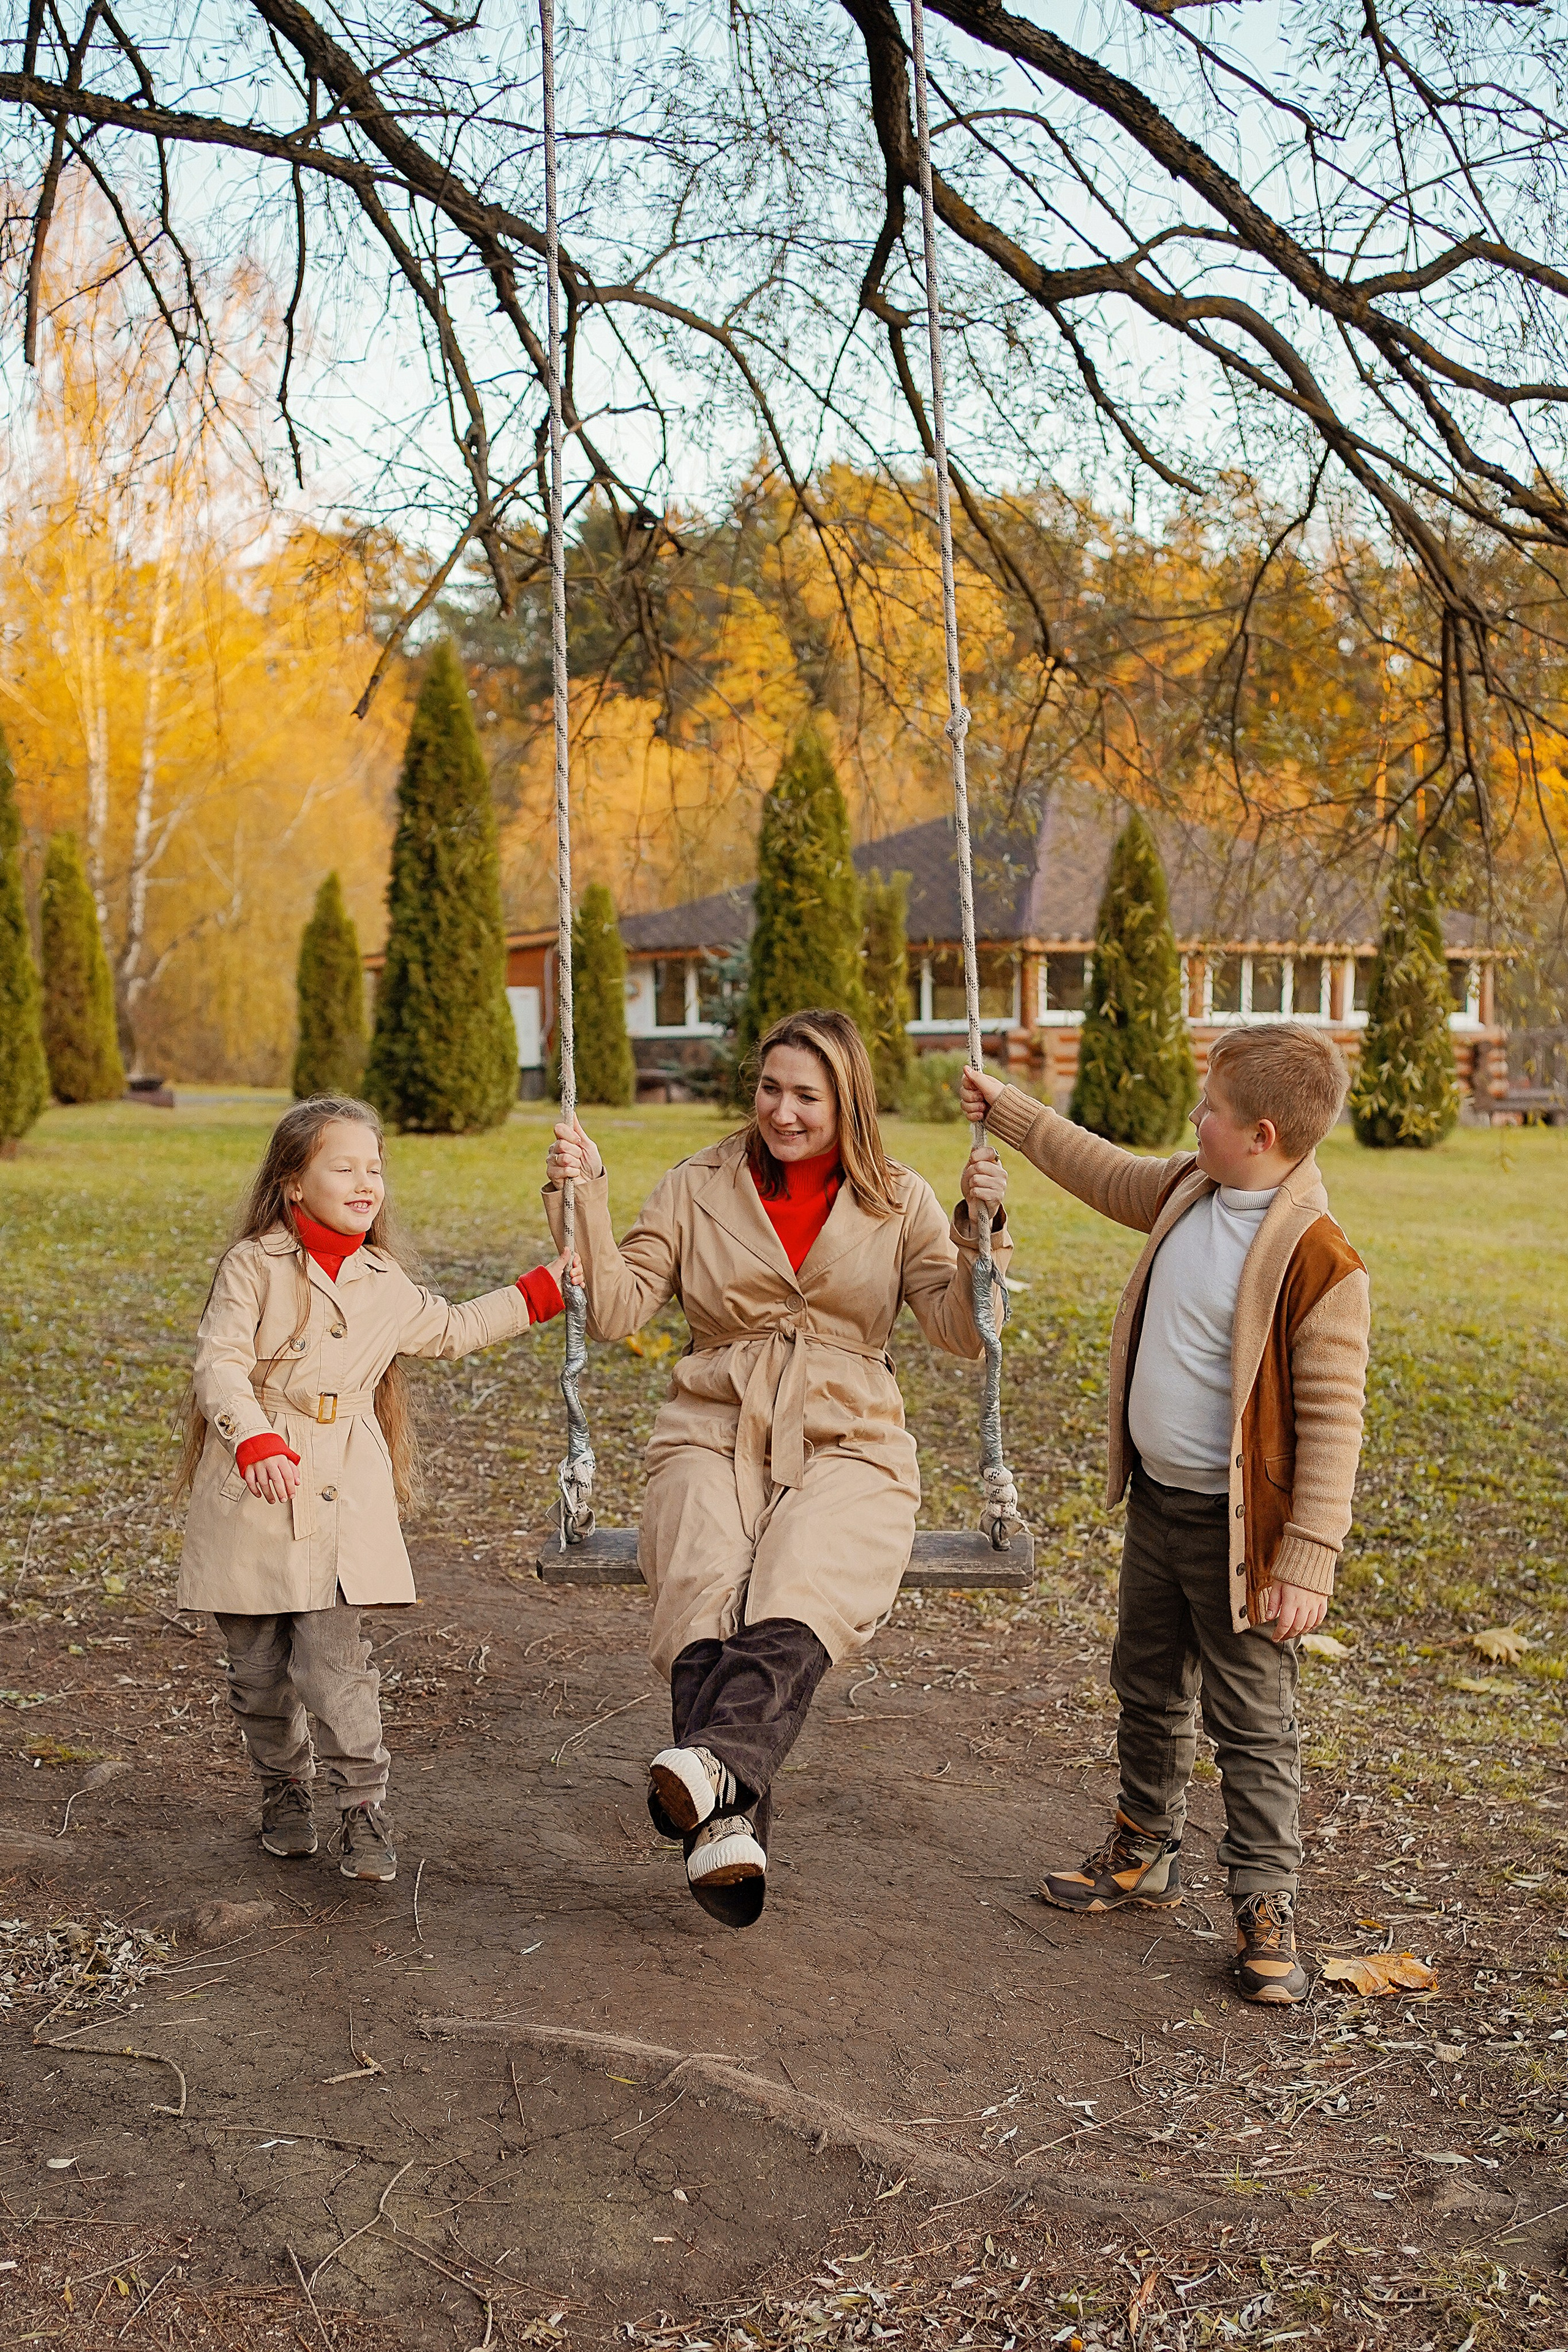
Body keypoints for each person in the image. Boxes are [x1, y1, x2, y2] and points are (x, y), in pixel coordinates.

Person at [545, 1008, 1009, 1928]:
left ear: (849, 1103)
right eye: (771, 1089)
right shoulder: (693, 1186)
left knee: (803, 1577)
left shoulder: (901, 1197)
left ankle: (714, 1780)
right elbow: (620, 1309)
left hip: (851, 1431)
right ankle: (727, 1809)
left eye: (808, 1096)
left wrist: (979, 1235)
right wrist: (585, 1195)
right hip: (713, 1419)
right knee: (702, 1578)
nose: (783, 1112)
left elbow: (959, 1333)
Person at [962, 1024, 1368, 2005]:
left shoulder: (1319, 1261)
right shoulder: (1193, 1188)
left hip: (1246, 1538)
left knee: (1253, 1723)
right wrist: (1009, 1116)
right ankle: (1144, 1847)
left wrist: (1307, 1561)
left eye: (1212, 1110)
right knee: (1144, 1683)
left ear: (1262, 1134)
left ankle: (1265, 1905)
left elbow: (1335, 1420)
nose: (1197, 1121)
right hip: (1159, 1506)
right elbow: (1099, 1170)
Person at [176, 1093, 578, 1882]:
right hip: (256, 1491)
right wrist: (252, 1433)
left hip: (339, 1495)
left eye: (376, 1168)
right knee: (258, 1675)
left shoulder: (382, 1280)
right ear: (294, 1182)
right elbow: (219, 1364)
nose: (367, 1183)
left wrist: (542, 1290)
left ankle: (361, 1807)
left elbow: (453, 1329)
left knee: (335, 1666)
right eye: (345, 1167)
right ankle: (283, 1788)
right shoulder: (253, 1266)